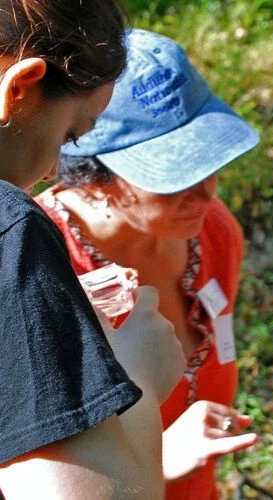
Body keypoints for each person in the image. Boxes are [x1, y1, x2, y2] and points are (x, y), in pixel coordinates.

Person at [36, 28, 261, 500]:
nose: (207, 192)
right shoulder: (34, 270)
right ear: (92, 176)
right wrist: (157, 456)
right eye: (175, 175)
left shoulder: (214, 233)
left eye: (209, 162)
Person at [0, 2, 186, 498]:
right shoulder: (11, 228)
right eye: (69, 134)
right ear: (18, 88)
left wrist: (44, 314)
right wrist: (136, 371)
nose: (52, 172)